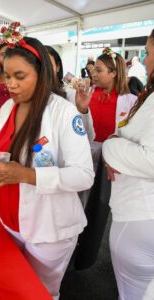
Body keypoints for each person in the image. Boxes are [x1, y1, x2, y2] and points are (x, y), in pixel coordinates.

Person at [0, 23, 94, 299]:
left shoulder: (64, 114)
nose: (11, 84)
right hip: (8, 220)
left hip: (48, 229)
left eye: (20, 76)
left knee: (39, 293)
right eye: (7, 75)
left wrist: (28, 175)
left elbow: (84, 175)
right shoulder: (8, 107)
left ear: (41, 74)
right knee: (12, 288)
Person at [102, 29, 154, 300]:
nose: (144, 60)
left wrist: (111, 146)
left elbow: (150, 159)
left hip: (141, 213)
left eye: (147, 52)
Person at [78, 48, 137, 143]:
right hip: (85, 150)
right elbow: (79, 128)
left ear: (113, 73)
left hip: (111, 154)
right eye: (94, 70)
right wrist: (82, 110)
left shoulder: (132, 101)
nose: (93, 74)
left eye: (98, 70)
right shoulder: (87, 94)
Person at [46, 45, 95, 143]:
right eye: (38, 65)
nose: (44, 70)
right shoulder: (29, 96)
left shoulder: (71, 94)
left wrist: (82, 110)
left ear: (58, 67)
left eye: (48, 64)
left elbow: (88, 137)